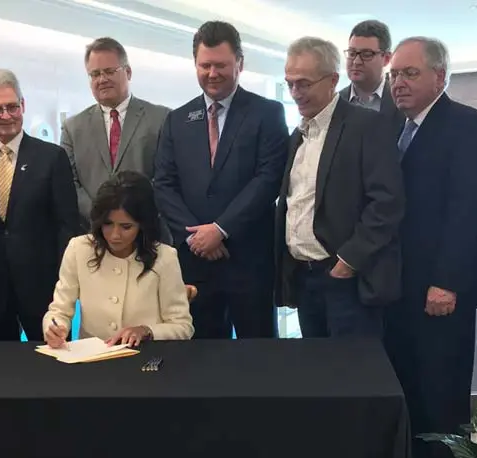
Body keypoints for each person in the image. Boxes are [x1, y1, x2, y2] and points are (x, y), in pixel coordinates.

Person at [383, 37, 477, 458]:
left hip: (440, 289)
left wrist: (447, 282)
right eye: (394, 75)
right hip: (395, 288)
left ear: (439, 77)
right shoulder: (390, 125)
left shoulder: (467, 125)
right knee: (405, 388)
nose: (399, 84)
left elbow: (466, 211)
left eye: (410, 74)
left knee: (442, 394)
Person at [153, 20, 289, 340]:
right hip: (195, 263)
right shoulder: (177, 120)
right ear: (195, 65)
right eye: (205, 65)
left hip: (248, 260)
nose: (212, 73)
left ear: (239, 64)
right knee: (201, 361)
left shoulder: (267, 113)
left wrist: (220, 229)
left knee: (257, 360)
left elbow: (268, 179)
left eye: (221, 65)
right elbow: (164, 183)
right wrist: (195, 237)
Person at [274, 37, 404, 338]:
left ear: (332, 79)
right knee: (318, 375)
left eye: (304, 84)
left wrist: (348, 261)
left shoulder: (366, 126)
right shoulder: (298, 134)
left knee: (354, 377)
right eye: (290, 83)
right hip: (303, 278)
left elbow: (387, 203)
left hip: (345, 279)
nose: (296, 93)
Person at [0, 69, 82, 342]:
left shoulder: (51, 158)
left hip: (43, 287)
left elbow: (67, 225)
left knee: (54, 363)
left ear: (23, 105)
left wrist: (65, 282)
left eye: (12, 106)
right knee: (1, 373)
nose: (5, 116)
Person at [44, 171, 193, 347]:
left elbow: (183, 327)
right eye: (107, 224)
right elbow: (59, 311)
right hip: (93, 362)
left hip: (146, 360)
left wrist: (147, 330)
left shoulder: (165, 257)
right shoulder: (79, 249)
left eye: (126, 227)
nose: (115, 235)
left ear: (142, 225)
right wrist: (54, 327)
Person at [60, 37, 170, 235]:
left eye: (110, 71)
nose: (102, 79)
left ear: (128, 72)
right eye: (95, 74)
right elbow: (69, 184)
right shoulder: (72, 127)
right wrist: (102, 217)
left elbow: (166, 177)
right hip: (94, 235)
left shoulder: (161, 118)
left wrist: (131, 216)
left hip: (147, 235)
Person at [338, 20, 404, 136]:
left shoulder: (402, 102)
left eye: (366, 54)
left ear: (387, 59)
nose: (356, 61)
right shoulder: (335, 103)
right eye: (352, 53)